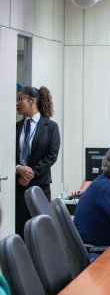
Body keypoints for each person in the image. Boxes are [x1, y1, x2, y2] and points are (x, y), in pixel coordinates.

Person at [15, 86, 60, 238]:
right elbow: (8, 155)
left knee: (40, 231)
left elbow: (51, 156)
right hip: (18, 187)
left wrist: (30, 173)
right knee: (20, 230)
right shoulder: (15, 127)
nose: (17, 103)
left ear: (32, 101)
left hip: (40, 185)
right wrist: (17, 168)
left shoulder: (50, 127)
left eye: (20, 99)